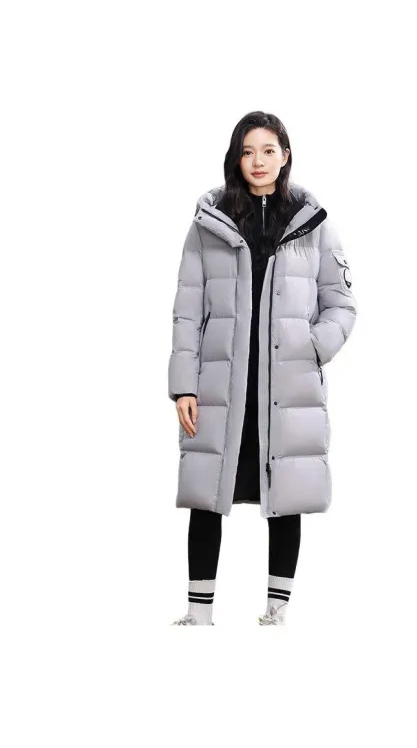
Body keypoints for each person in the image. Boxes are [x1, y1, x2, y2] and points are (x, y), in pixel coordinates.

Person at [167, 111, 357, 625]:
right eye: (248, 151)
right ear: (236, 158)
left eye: (268, 150)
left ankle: (277, 612)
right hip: (220, 382)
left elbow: (341, 304)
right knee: (207, 492)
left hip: (287, 382)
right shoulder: (209, 223)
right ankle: (198, 615)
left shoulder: (311, 224)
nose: (258, 161)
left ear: (285, 155)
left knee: (287, 491)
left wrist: (310, 348)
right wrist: (184, 386)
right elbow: (187, 311)